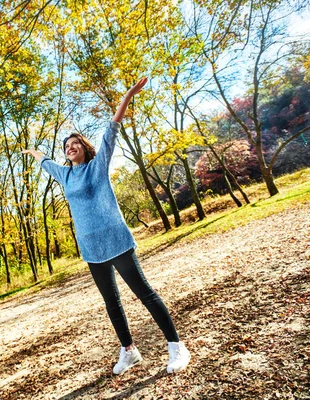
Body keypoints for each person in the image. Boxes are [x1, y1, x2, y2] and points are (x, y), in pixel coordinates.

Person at [22, 78, 191, 375]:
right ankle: (129, 352)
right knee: (111, 303)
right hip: (90, 247)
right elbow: (45, 161)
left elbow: (111, 129)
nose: (71, 147)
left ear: (84, 148)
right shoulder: (65, 175)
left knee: (145, 293)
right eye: (67, 146)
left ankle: (177, 346)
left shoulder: (97, 166)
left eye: (76, 143)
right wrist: (34, 153)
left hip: (115, 239)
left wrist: (127, 96)